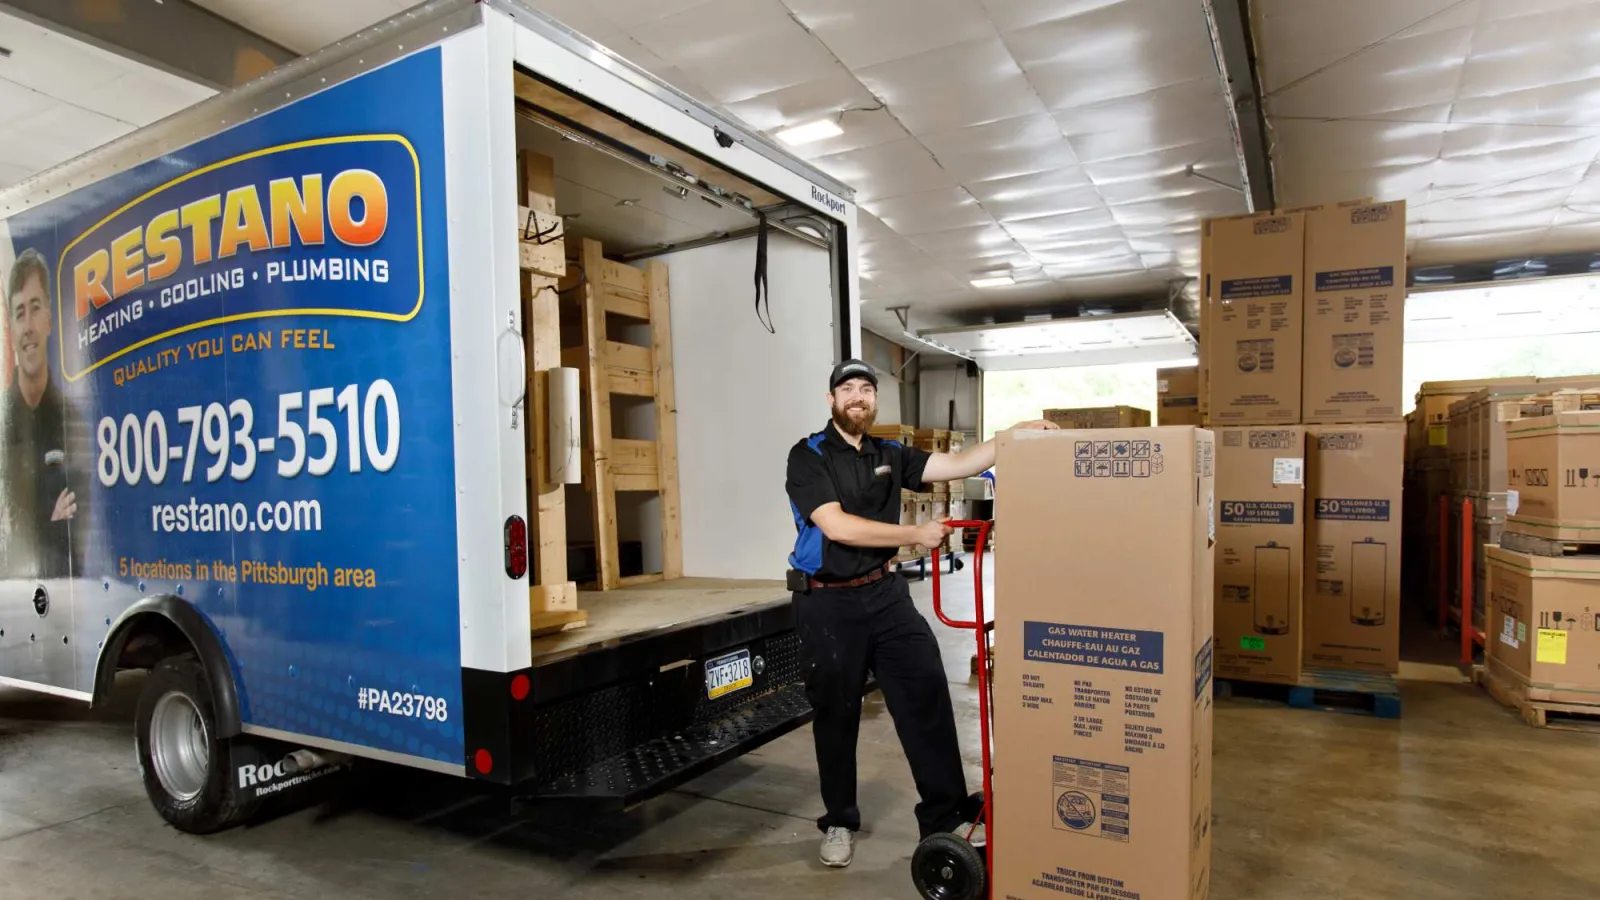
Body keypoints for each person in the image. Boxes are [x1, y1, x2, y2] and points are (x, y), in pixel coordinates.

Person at [783, 357, 1056, 868]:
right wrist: (914, 535)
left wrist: (1012, 435)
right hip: (827, 602)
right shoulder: (808, 456)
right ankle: (839, 819)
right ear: (831, 401)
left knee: (926, 690)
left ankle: (944, 814)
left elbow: (957, 465)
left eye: (867, 388)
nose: (858, 397)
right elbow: (837, 526)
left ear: (874, 401)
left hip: (885, 596)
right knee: (836, 715)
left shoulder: (889, 453)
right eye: (848, 389)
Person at [2, 248, 88, 579]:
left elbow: (78, 530)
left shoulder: (73, 421)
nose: (28, 325)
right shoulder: (2, 426)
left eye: (35, 308)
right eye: (19, 312)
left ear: (50, 318)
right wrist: (48, 523)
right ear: (10, 328)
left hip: (67, 601)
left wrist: (34, 529)